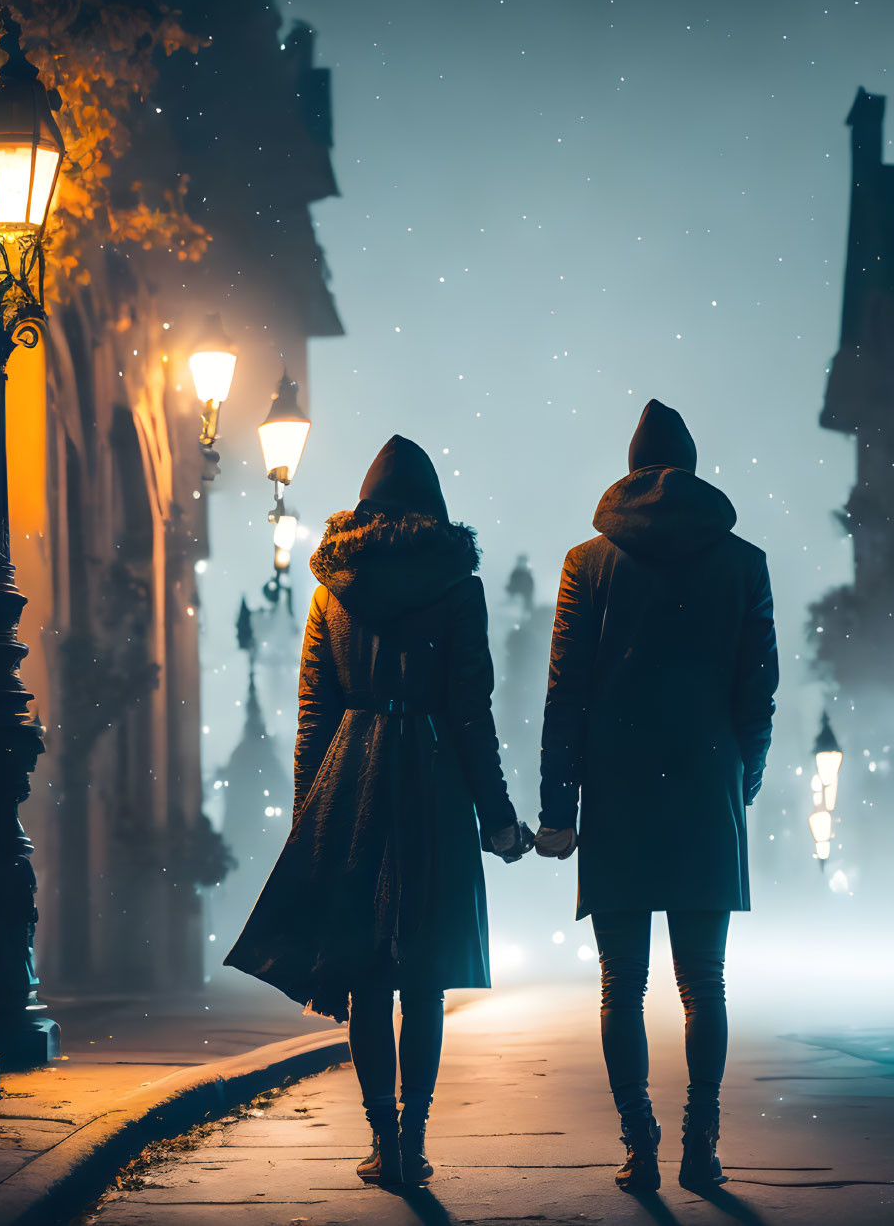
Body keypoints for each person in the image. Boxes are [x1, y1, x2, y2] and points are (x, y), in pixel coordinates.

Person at [224, 435, 531, 1187]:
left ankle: (382, 1139)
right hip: (429, 780)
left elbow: (312, 715)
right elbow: (470, 712)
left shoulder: (334, 588)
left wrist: (309, 819)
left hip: (350, 781)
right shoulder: (459, 586)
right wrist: (495, 814)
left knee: (364, 974)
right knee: (421, 975)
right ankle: (415, 1139)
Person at [535, 400, 777, 1193]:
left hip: (616, 788)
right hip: (704, 784)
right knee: (702, 983)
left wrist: (557, 809)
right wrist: (742, 778)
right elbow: (757, 691)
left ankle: (638, 1142)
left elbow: (564, 692)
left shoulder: (587, 563)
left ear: (630, 467)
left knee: (621, 984)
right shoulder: (743, 562)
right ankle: (700, 1142)